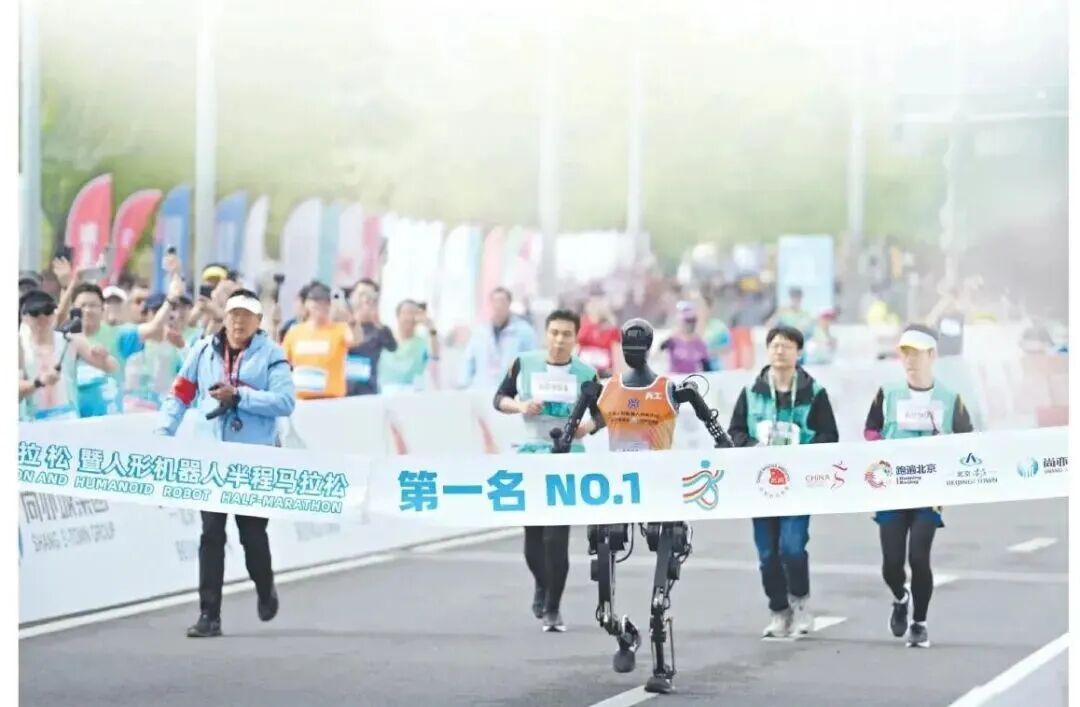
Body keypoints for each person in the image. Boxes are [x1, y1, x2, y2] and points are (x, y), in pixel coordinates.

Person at [155, 289, 296, 638]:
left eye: (246, 316)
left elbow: (284, 402)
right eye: (233, 314)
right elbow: (181, 393)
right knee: (211, 535)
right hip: (213, 459)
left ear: (258, 321)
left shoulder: (272, 355)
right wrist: (162, 433)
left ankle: (265, 587)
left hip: (253, 461)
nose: (238, 321)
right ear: (225, 317)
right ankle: (209, 615)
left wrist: (241, 397)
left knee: (252, 535)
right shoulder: (203, 350)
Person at [864, 324, 973, 648]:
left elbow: (968, 439)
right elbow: (870, 430)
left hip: (929, 491)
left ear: (932, 355)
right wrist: (883, 448)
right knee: (891, 564)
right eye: (905, 354)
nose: (910, 361)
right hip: (893, 489)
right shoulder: (887, 393)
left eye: (917, 354)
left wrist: (946, 448)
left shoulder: (950, 398)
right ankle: (900, 598)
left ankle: (920, 622)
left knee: (919, 557)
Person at [727, 325, 839, 639]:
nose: (780, 351)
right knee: (767, 555)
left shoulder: (814, 393)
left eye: (787, 346)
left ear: (798, 353)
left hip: (798, 484)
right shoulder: (751, 392)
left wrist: (804, 452)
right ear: (767, 351)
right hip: (762, 484)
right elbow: (735, 432)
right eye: (775, 345)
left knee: (792, 548)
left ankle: (800, 604)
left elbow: (829, 435)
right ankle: (779, 611)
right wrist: (753, 447)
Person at [493, 309, 599, 632]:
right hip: (531, 455)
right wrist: (521, 406)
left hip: (567, 458)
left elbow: (603, 413)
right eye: (554, 333)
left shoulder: (586, 373)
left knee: (557, 538)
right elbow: (499, 398)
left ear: (575, 338)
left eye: (566, 334)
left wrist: (586, 427)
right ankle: (542, 582)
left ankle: (553, 607)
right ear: (545, 334)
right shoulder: (524, 364)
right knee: (534, 538)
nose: (559, 340)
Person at [70, 278, 181, 417]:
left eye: (93, 305)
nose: (87, 310)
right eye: (82, 305)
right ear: (73, 309)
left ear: (102, 308)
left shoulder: (118, 335)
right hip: (75, 419)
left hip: (108, 417)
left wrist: (170, 299)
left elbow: (155, 327)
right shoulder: (65, 339)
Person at [18, 290, 114, 421]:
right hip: (34, 422)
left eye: (47, 311)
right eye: (35, 313)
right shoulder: (20, 346)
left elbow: (112, 367)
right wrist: (38, 382)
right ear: (24, 317)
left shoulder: (70, 340)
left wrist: (104, 357)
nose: (42, 318)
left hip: (68, 418)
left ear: (54, 314)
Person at [282, 282, 354, 399]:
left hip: (331, 399)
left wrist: (350, 318)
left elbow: (355, 340)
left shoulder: (340, 329)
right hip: (302, 399)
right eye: (316, 301)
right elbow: (282, 362)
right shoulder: (295, 332)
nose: (321, 306)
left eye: (325, 302)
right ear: (307, 304)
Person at [460, 287, 538, 389]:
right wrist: (463, 386)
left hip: (511, 392)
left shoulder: (525, 331)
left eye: (502, 301)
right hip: (481, 390)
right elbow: (468, 362)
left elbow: (532, 363)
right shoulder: (480, 332)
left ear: (509, 303)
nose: (498, 306)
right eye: (495, 301)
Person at [379, 299, 440, 393]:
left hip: (412, 393)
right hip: (387, 392)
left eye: (413, 313)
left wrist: (430, 326)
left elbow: (435, 355)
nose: (409, 317)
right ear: (398, 316)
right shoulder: (385, 338)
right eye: (406, 312)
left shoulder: (423, 342)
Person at [346, 287, 397, 395]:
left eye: (374, 304)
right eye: (367, 303)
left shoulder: (379, 329)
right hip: (347, 383)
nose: (371, 307)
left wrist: (379, 324)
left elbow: (392, 347)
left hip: (368, 385)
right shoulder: (347, 326)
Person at [577, 291, 621, 379]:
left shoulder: (611, 329)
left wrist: (616, 374)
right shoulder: (582, 324)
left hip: (604, 371)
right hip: (584, 369)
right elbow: (577, 345)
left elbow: (616, 353)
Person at [659, 301, 710, 374]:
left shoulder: (699, 343)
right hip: (674, 378)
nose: (690, 325)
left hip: (690, 379)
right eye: (687, 321)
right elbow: (656, 355)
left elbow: (707, 368)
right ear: (680, 322)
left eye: (692, 321)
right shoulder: (671, 341)